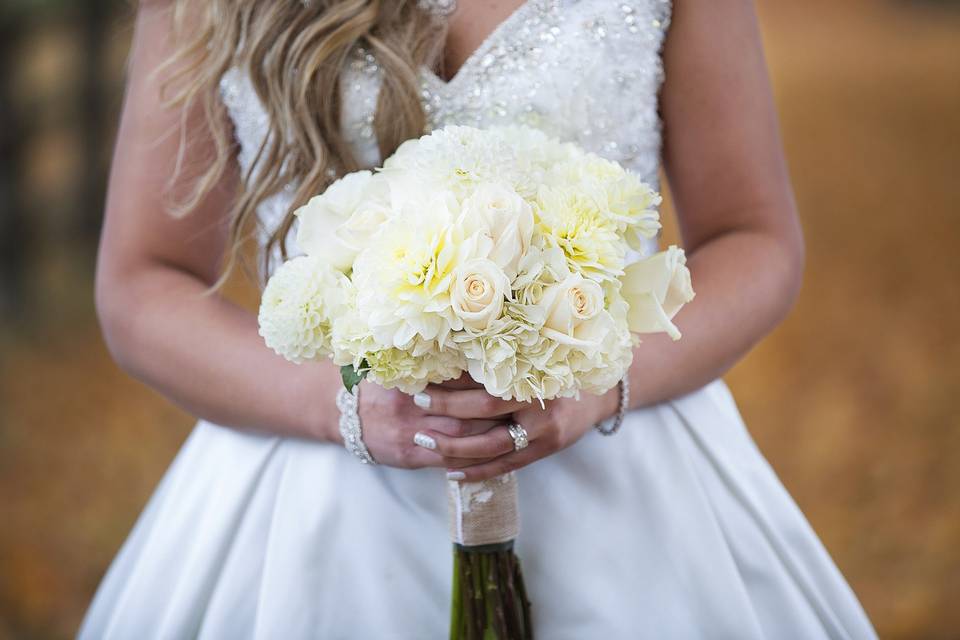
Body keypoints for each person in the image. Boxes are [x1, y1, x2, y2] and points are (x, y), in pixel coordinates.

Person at [80, 0, 877, 637]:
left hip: (628, 478)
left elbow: (755, 239)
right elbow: (142, 283)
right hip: (315, 512)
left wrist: (602, 380)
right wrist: (339, 407)